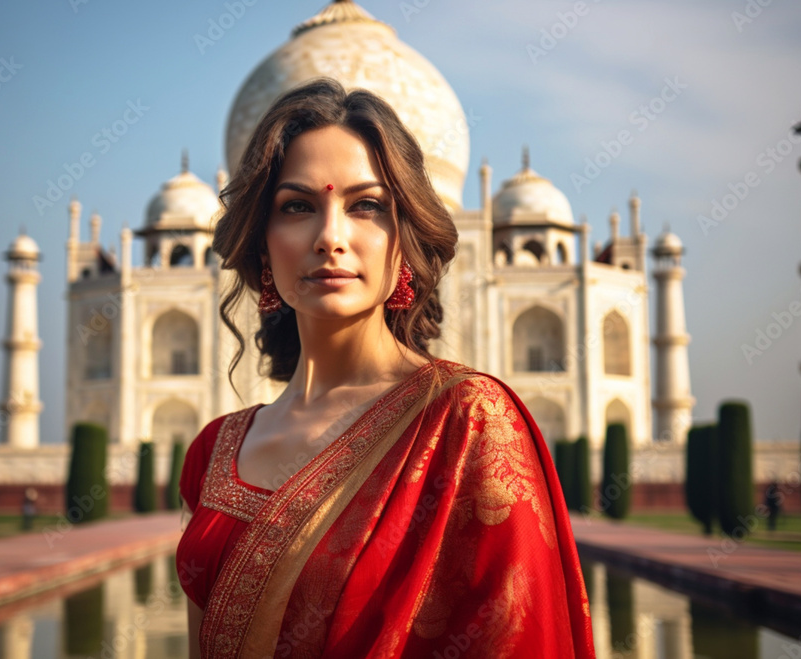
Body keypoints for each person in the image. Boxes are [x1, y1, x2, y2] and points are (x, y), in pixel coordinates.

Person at [176, 76, 596, 658]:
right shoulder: (214, 451)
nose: (330, 237)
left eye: (366, 206)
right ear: (262, 242)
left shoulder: (468, 422)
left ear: (404, 238)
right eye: (297, 206)